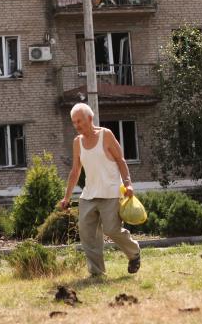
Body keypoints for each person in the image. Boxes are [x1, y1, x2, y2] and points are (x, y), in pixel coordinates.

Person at [60, 103, 141, 276]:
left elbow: (121, 160)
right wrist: (66, 197)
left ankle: (134, 252)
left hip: (110, 192)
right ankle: (96, 273)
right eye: (74, 122)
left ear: (90, 119)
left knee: (111, 229)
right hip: (89, 194)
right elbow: (75, 171)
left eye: (80, 121)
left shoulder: (106, 135)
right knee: (87, 234)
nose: (77, 125)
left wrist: (128, 183)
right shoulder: (77, 142)